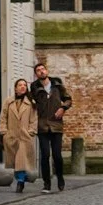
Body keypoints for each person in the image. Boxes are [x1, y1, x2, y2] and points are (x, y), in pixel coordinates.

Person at [29, 60, 73, 191]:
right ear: (36, 74)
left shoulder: (57, 85)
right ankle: (46, 183)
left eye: (43, 69)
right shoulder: (35, 87)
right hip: (42, 126)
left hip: (56, 124)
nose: (41, 71)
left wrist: (63, 108)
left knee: (57, 155)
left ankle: (60, 178)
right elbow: (32, 101)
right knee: (45, 155)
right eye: (38, 70)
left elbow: (68, 99)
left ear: (46, 71)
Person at [0, 78, 39, 192]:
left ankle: (20, 182)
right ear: (16, 88)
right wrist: (4, 131)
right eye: (20, 85)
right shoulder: (8, 101)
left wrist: (31, 131)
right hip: (11, 135)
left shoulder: (30, 103)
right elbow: (3, 116)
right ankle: (22, 177)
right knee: (15, 162)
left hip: (24, 136)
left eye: (24, 85)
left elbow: (34, 119)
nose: (22, 87)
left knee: (20, 159)